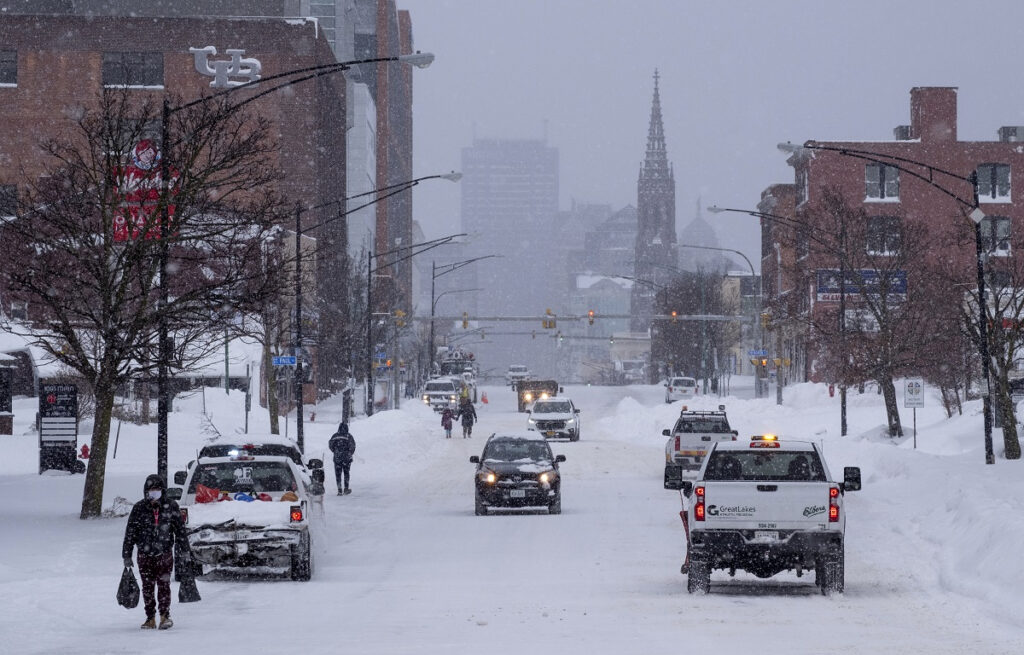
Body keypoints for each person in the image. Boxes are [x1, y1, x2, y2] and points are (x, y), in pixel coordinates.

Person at [122, 474, 189, 630]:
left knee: (164, 585)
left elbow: (180, 530)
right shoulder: (139, 508)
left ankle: (165, 616)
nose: (154, 492)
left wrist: (185, 550)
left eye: (157, 489)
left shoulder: (171, 506)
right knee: (147, 586)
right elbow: (130, 532)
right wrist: (126, 554)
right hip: (144, 555)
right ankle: (150, 617)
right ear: (146, 491)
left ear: (163, 490)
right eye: (151, 489)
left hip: (164, 554)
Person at [328, 422, 357, 495]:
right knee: (346, 473)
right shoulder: (348, 436)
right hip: (346, 458)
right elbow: (352, 446)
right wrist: (349, 453)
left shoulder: (335, 436)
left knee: (338, 474)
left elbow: (330, 445)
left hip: (337, 458)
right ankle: (346, 488)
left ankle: (339, 489)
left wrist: (335, 451)